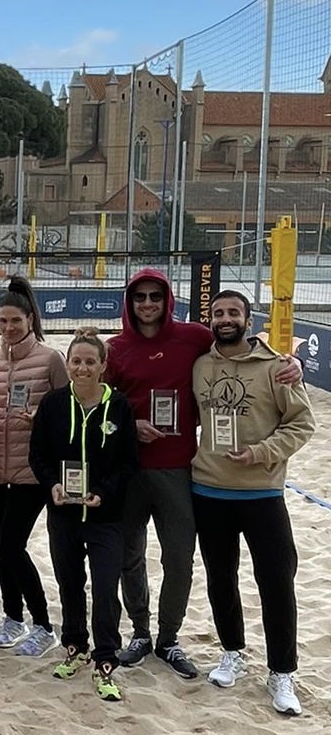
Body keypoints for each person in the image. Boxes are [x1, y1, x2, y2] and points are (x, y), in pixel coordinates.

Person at [106, 269, 302, 679]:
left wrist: (292, 362)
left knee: (180, 560)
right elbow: (99, 405)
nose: (147, 304)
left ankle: (168, 637)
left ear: (167, 300)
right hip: (130, 470)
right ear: (130, 302)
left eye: (155, 296)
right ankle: (140, 633)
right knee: (130, 557)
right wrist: (128, 426)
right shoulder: (116, 348)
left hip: (180, 470)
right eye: (140, 297)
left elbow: (243, 352)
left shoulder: (193, 337)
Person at [192, 290, 315, 716]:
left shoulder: (278, 367)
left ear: (248, 320)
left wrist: (261, 452)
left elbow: (302, 423)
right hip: (209, 490)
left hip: (263, 492)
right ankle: (232, 652)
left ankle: (282, 671)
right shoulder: (200, 366)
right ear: (210, 320)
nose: (225, 319)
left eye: (234, 313)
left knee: (277, 581)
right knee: (220, 578)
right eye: (218, 313)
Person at [29, 328, 138, 702]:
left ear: (103, 365)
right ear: (68, 364)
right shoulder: (53, 404)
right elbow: (38, 456)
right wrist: (52, 485)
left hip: (106, 516)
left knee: (106, 589)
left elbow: (129, 463)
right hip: (63, 514)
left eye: (90, 361)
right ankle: (75, 647)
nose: (82, 368)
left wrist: (103, 492)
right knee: (69, 583)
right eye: (76, 361)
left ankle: (105, 660)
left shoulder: (119, 406)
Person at [0, 276, 67, 657]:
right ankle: (13, 617)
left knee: (12, 548)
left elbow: (67, 411)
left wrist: (40, 419)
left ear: (30, 320)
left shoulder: (50, 359)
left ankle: (43, 625)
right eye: (3, 321)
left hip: (31, 473)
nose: (9, 327)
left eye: (15, 320)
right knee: (2, 550)